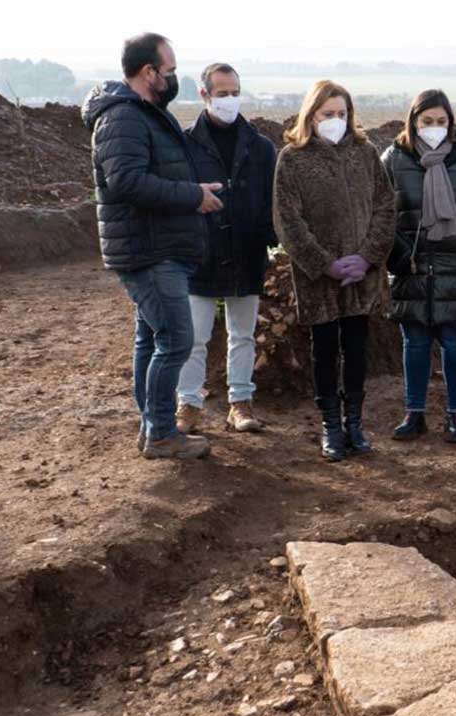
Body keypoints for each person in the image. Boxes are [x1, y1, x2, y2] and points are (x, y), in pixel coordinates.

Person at [82, 32, 223, 460]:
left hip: (157, 244)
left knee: (152, 338)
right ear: (149, 73)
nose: (173, 78)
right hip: (149, 249)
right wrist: (192, 195)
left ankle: (153, 428)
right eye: (170, 71)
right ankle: (162, 433)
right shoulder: (124, 117)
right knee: (177, 340)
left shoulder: (143, 113)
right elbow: (126, 181)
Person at [273, 80, 394, 462]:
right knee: (324, 349)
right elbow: (288, 221)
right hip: (319, 279)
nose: (336, 120)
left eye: (342, 114)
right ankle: (331, 425)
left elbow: (385, 207)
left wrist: (367, 257)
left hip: (362, 275)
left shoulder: (365, 153)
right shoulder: (293, 159)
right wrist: (324, 263)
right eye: (328, 114)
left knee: (356, 347)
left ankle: (355, 422)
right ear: (312, 115)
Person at [381, 89, 456, 444]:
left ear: (451, 122)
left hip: (455, 264)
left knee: (455, 343)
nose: (434, 128)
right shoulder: (395, 159)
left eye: (441, 122)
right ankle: (415, 414)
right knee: (414, 344)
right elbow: (381, 212)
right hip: (410, 264)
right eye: (427, 121)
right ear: (413, 121)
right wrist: (396, 254)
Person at [176, 63, 277, 436]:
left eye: (235, 92)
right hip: (201, 253)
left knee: (243, 333)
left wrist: (271, 237)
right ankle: (188, 404)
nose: (230, 100)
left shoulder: (261, 147)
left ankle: (240, 403)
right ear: (204, 95)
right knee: (194, 337)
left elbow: (271, 200)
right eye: (222, 93)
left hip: (247, 251)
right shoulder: (185, 145)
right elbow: (178, 196)